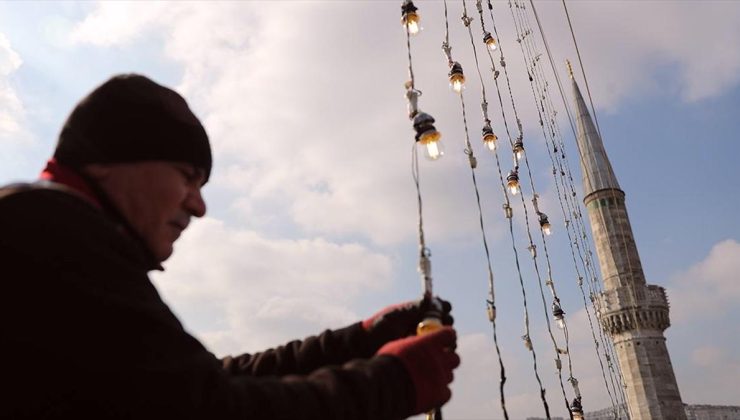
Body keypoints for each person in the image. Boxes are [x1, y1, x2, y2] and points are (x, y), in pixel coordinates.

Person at [0, 74, 459, 419]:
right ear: (112, 161)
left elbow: (195, 383)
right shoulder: (47, 235)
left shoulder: (53, 233)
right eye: (186, 176)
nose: (199, 207)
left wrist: (360, 339)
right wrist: (392, 383)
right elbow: (205, 410)